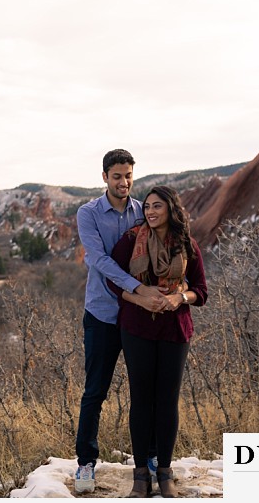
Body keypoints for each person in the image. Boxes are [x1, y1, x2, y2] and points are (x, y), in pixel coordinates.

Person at [73, 149, 165, 494]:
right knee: (95, 391)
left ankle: (151, 458)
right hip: (103, 313)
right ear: (104, 177)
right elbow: (97, 260)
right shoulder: (89, 213)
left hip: (140, 316)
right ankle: (85, 463)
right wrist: (138, 287)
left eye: (128, 175)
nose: (123, 182)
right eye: (116, 176)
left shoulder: (144, 211)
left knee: (146, 390)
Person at [108, 185, 208, 498]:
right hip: (137, 327)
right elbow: (112, 280)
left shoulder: (186, 244)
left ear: (170, 210)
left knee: (167, 401)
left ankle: (164, 473)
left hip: (174, 329)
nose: (150, 212)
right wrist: (139, 299)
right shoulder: (129, 241)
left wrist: (180, 297)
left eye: (157, 207)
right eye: (147, 206)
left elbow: (201, 291)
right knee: (141, 400)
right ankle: (140, 476)